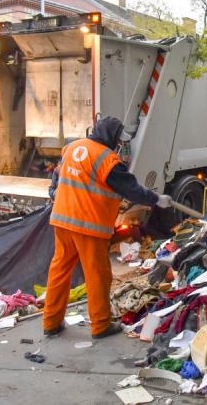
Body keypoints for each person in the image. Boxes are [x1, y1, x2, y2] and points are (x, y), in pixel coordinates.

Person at [43, 117, 173, 339]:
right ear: (112, 136)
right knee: (98, 275)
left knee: (60, 270)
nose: (119, 144)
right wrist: (156, 199)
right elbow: (131, 189)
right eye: (118, 139)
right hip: (87, 225)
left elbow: (57, 177)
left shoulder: (73, 148)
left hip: (62, 220)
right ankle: (101, 325)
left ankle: (51, 322)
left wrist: (55, 193)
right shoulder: (106, 159)